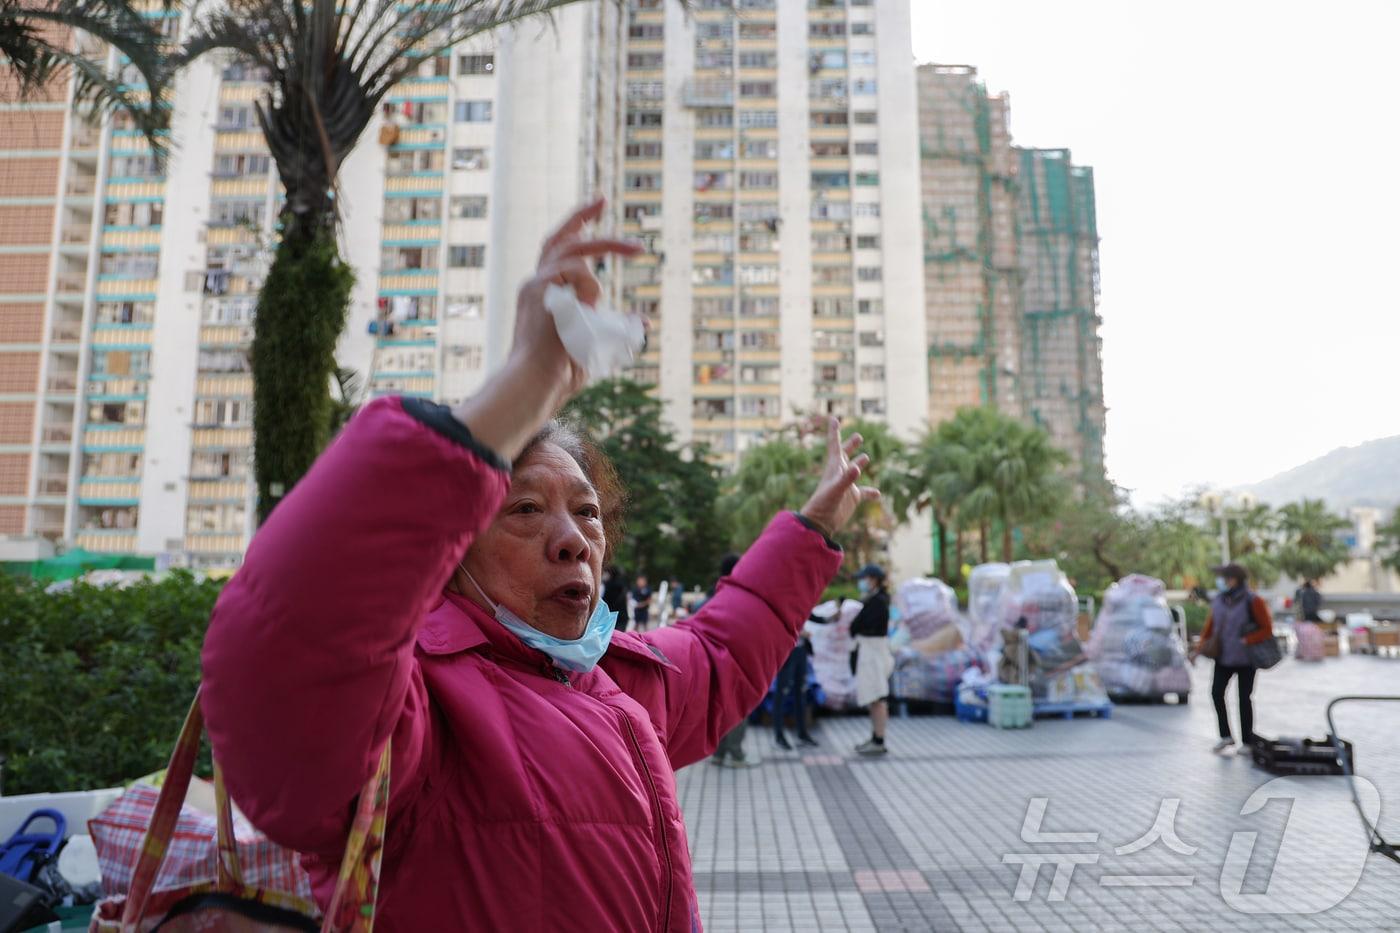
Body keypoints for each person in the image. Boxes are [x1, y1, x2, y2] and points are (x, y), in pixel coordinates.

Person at [200, 199, 880, 931]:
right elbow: (301, 636)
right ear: (451, 548)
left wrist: (811, 530)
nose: (572, 539)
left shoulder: (612, 683)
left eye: (586, 512)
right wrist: (523, 386)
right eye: (524, 511)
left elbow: (720, 652)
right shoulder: (413, 710)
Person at [1189, 562, 1274, 753]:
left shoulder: (1253, 601)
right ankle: (1225, 736)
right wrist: (1198, 649)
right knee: (1216, 693)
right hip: (1223, 656)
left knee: (1244, 698)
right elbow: (1210, 628)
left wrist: (1246, 640)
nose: (1221, 581)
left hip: (1246, 659)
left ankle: (1247, 741)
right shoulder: (1219, 600)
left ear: (1234, 579)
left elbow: (1267, 628)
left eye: (1225, 578)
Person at [849, 564, 893, 756]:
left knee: (878, 697)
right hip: (870, 652)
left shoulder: (878, 602)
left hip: (873, 654)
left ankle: (879, 739)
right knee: (874, 698)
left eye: (864, 578)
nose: (862, 582)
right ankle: (876, 736)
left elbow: (861, 626)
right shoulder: (875, 599)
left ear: (873, 579)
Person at [773, 630, 817, 750]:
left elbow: (816, 618)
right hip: (787, 652)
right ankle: (779, 736)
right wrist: (798, 632)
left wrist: (831, 619)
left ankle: (802, 733)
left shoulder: (803, 611)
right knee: (781, 695)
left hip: (801, 651)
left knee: (801, 693)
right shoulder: (784, 610)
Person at [601, 565, 630, 632]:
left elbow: (604, 601)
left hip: (611, 616)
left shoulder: (608, 585)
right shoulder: (623, 584)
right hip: (622, 615)